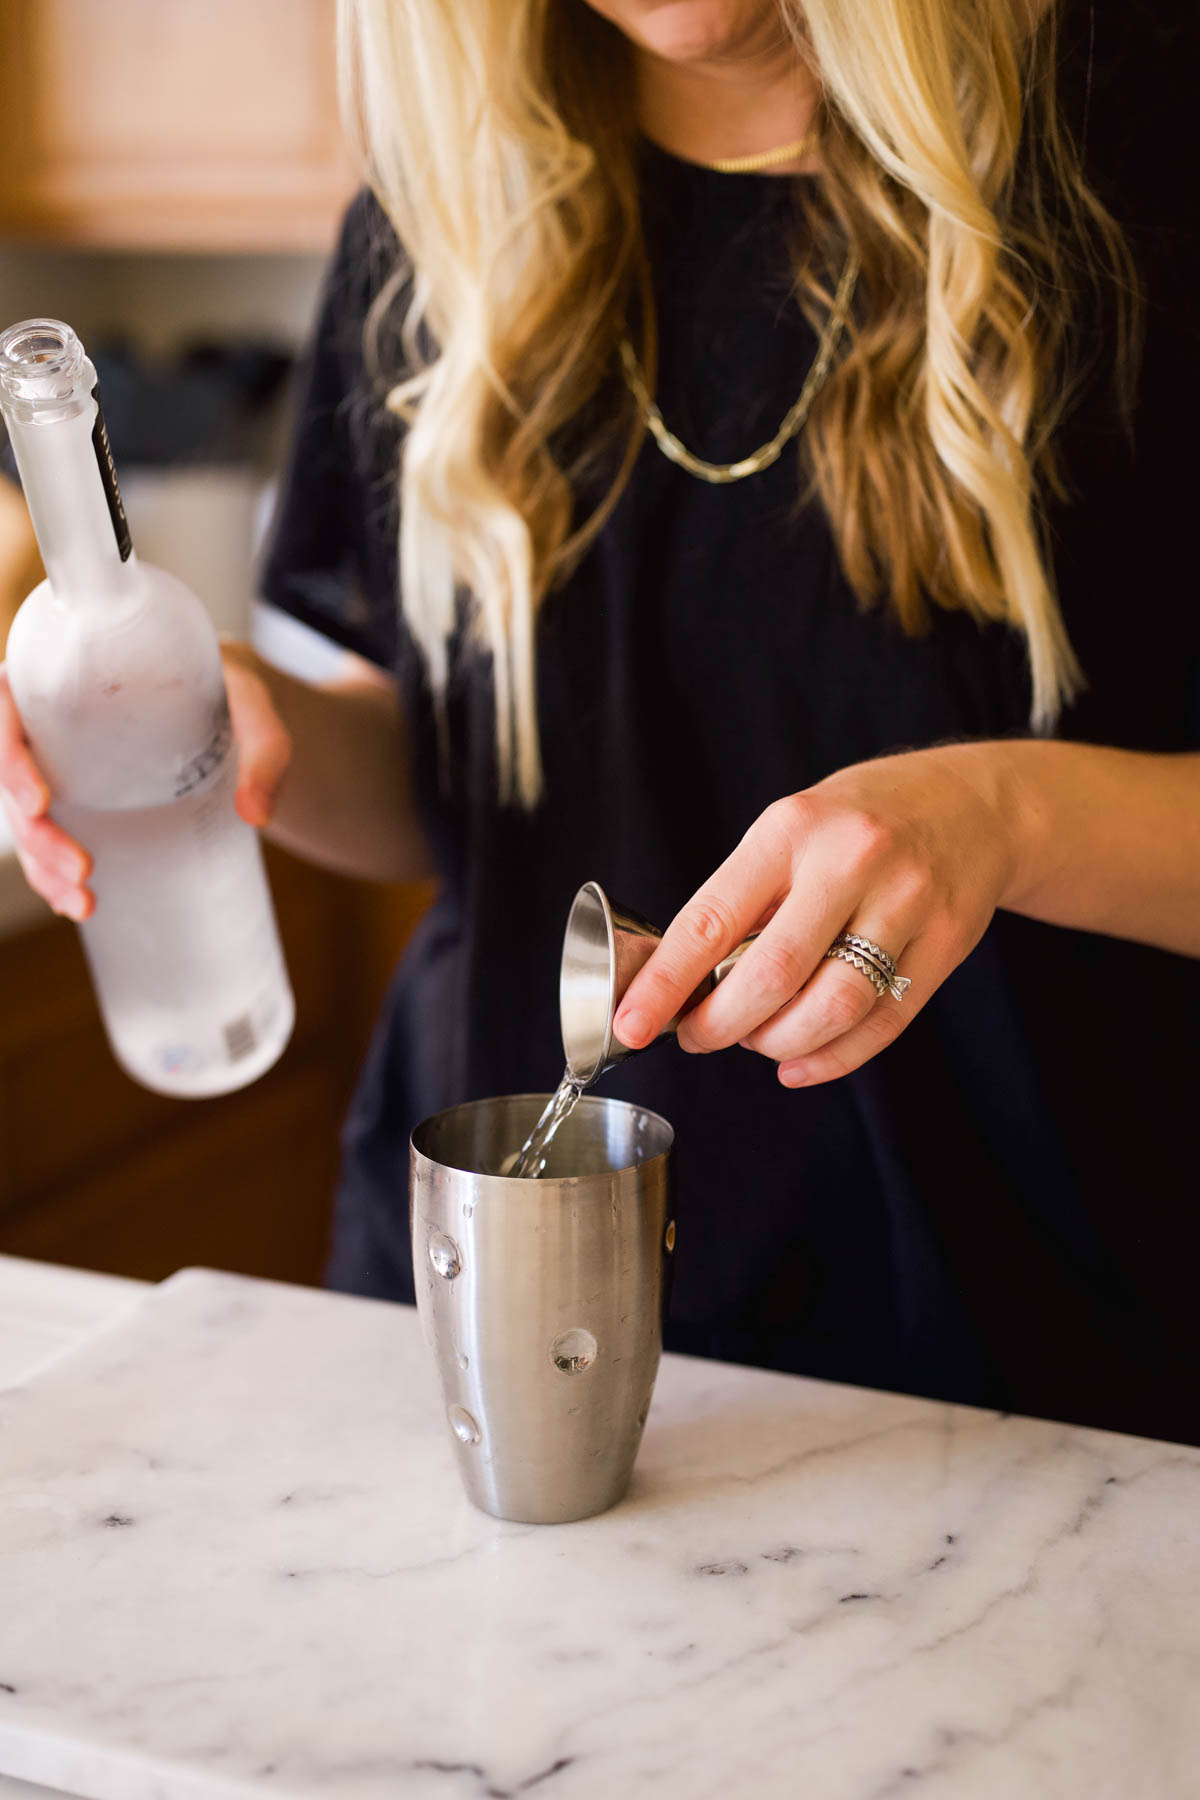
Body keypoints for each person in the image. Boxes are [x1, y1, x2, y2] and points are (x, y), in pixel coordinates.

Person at [2, 1, 1197, 1443]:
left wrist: (1008, 820)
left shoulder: (1137, 130)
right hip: (481, 1319)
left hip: (1028, 1362)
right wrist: (242, 731)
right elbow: (441, 780)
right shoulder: (444, 212)